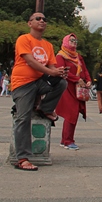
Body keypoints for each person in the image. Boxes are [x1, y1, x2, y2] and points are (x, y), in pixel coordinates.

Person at [11, 12, 68, 171]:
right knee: (23, 118)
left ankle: (45, 108)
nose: (42, 21)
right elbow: (30, 61)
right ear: (30, 23)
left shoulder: (48, 45)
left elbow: (51, 67)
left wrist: (58, 71)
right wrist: (51, 72)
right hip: (23, 83)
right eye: (38, 19)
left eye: (44, 19)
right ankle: (22, 158)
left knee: (61, 82)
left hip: (40, 81)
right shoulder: (24, 39)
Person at [55, 33, 91, 150]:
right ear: (65, 41)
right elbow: (62, 71)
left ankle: (66, 139)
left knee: (74, 114)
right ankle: (67, 141)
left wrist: (88, 80)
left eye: (75, 41)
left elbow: (84, 69)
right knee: (71, 113)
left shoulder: (78, 56)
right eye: (71, 41)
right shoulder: (61, 56)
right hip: (66, 88)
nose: (74, 43)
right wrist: (77, 79)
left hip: (78, 89)